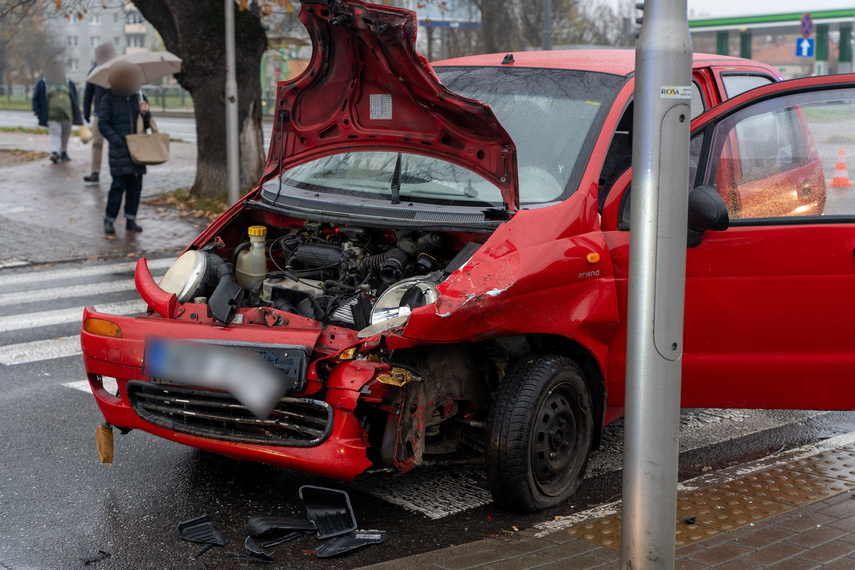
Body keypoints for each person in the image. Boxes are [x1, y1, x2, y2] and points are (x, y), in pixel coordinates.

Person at [97, 64, 150, 234]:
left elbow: (146, 125)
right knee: (118, 187)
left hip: (138, 151)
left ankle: (131, 219)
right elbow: (103, 124)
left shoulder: (139, 98)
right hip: (119, 152)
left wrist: (145, 113)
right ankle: (109, 220)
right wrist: (118, 142)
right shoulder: (109, 98)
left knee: (135, 186)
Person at [32, 61, 84, 163]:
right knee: (55, 134)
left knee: (65, 134)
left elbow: (74, 97)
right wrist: (37, 111)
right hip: (52, 116)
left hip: (67, 115)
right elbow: (36, 98)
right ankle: (55, 152)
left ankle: (63, 152)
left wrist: (76, 111)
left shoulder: (68, 82)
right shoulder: (43, 83)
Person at [82, 42, 117, 184]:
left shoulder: (117, 70)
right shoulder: (94, 71)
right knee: (97, 143)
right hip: (99, 113)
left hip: (115, 113)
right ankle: (95, 172)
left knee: (116, 143)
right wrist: (86, 112)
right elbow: (88, 93)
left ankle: (118, 171)